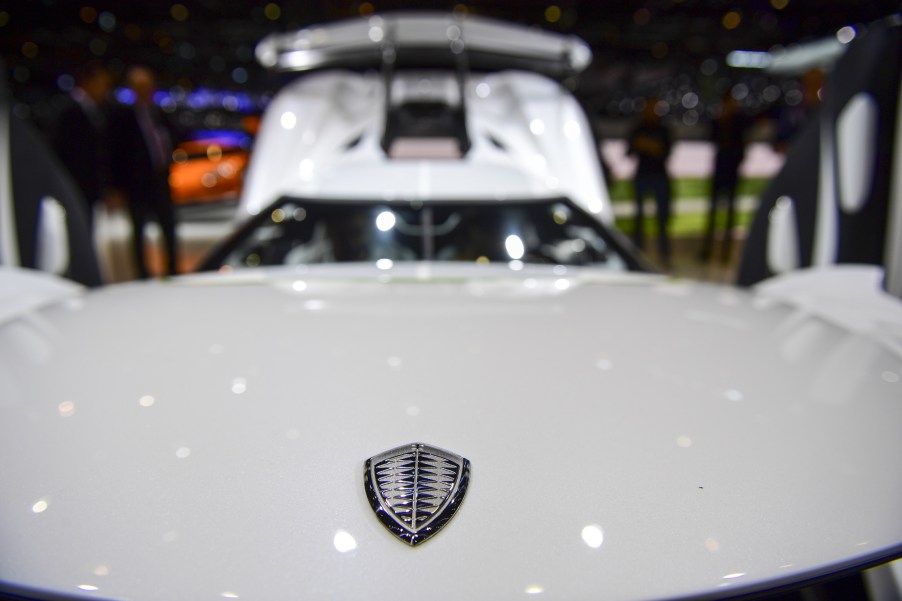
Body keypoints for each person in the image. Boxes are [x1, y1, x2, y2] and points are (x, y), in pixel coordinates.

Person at [110, 65, 178, 278]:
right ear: (132, 89)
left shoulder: (160, 115)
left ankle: (172, 269)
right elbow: (116, 155)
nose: (146, 90)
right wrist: (117, 188)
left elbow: (170, 140)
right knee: (139, 231)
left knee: (168, 226)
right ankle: (142, 273)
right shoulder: (124, 119)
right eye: (140, 86)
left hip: (160, 179)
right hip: (137, 185)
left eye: (148, 86)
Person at [53, 62, 113, 234]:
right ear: (88, 82)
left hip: (88, 186)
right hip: (75, 185)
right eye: (102, 84)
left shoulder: (93, 111)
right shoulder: (68, 111)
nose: (105, 90)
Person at [699, 94, 750, 263]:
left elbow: (742, 148)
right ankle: (707, 250)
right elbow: (711, 137)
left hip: (731, 173)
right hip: (720, 172)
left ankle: (725, 252)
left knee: (729, 215)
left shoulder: (738, 124)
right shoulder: (719, 123)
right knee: (713, 213)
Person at [627, 99, 672, 267]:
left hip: (659, 176)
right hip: (642, 175)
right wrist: (640, 145)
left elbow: (667, 152)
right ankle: (637, 256)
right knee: (639, 218)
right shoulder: (638, 128)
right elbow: (628, 151)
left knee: (662, 219)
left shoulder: (663, 129)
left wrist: (653, 147)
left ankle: (664, 255)